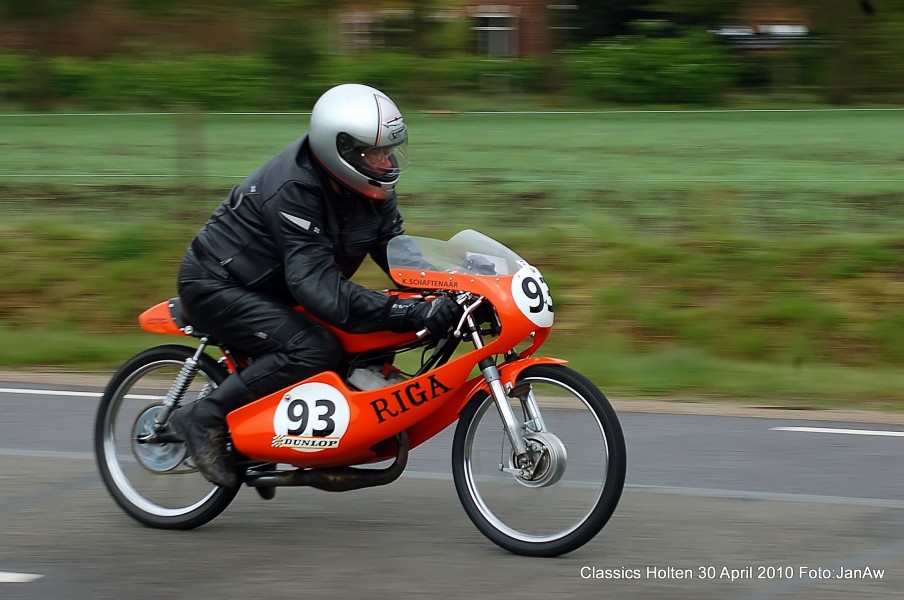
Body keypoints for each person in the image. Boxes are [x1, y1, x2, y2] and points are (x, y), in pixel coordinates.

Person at [170, 83, 463, 488]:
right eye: (373, 153)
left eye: (389, 150)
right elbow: (318, 287)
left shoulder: (371, 183)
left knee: (371, 338)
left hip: (275, 288)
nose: (386, 161)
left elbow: (397, 254)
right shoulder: (295, 188)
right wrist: (407, 311)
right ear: (339, 150)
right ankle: (204, 418)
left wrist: (455, 290)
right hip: (217, 284)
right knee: (314, 347)